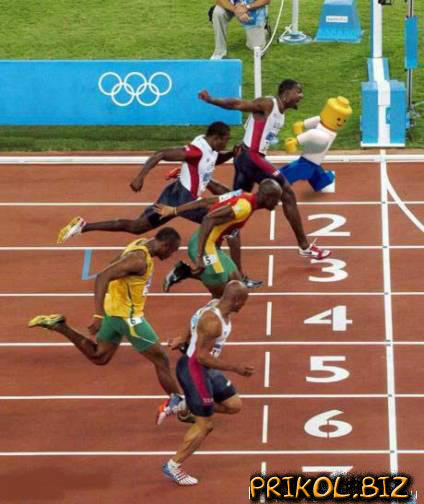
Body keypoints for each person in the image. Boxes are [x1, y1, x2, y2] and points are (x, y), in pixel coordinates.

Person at [56, 121, 262, 289]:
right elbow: (161, 153)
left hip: (173, 193)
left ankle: (84, 226)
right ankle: (239, 277)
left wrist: (230, 154)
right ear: (216, 138)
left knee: (137, 227)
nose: (225, 145)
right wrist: (140, 177)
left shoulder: (210, 148)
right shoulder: (196, 151)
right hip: (185, 199)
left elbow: (212, 160)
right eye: (224, 141)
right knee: (230, 226)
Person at [29, 227, 186, 425]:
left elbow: (113, 265)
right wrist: (98, 315)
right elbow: (103, 276)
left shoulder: (140, 244)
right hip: (129, 318)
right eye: (172, 251)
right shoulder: (139, 259)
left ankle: (61, 326)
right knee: (161, 359)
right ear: (165, 245)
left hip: (114, 311)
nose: (171, 255)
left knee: (99, 356)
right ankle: (181, 407)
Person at [198, 81, 331, 264]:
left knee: (235, 203)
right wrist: (212, 100)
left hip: (246, 159)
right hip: (251, 158)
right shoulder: (268, 104)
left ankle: (212, 241)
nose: (301, 96)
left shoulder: (280, 114)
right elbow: (237, 104)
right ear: (286, 93)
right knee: (287, 193)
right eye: (298, 92)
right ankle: (304, 247)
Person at [162, 280, 254, 485]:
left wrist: (182, 337)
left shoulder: (212, 305)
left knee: (234, 405)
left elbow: (193, 320)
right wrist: (236, 368)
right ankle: (173, 466)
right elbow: (202, 357)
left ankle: (183, 403)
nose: (244, 305)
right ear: (236, 300)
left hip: (206, 368)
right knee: (205, 425)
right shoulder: (213, 322)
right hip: (194, 369)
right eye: (244, 301)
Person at [159, 179, 282, 297]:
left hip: (212, 245)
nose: (277, 203)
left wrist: (175, 210)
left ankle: (183, 272)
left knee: (237, 285)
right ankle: (186, 275)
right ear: (267, 197)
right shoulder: (244, 207)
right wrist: (200, 256)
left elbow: (206, 201)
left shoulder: (242, 194)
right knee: (223, 294)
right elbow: (208, 219)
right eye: (276, 199)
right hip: (203, 245)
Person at [280, 96, 352, 191]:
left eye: (343, 120)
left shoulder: (325, 135)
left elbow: (312, 135)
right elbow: (316, 121)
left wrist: (297, 140)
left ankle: (278, 182)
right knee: (314, 170)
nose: (341, 122)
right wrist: (302, 124)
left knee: (293, 171)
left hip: (308, 161)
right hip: (313, 160)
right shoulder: (321, 123)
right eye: (339, 119)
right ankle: (320, 181)